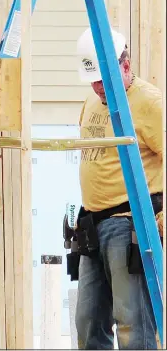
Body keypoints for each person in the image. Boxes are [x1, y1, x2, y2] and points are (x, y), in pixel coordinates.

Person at [74, 27, 163, 349]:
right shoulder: (93, 100)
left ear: (125, 66)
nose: (99, 88)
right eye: (93, 81)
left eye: (104, 79)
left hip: (128, 222)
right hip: (92, 224)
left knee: (132, 321)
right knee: (88, 321)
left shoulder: (149, 102)